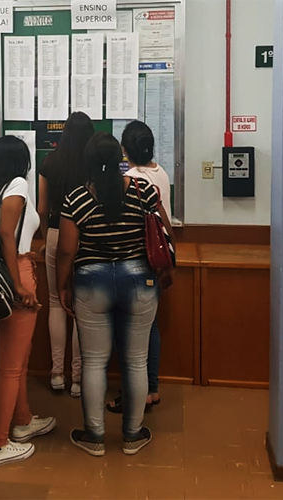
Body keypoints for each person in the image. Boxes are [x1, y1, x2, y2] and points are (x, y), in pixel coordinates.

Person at [56, 132, 174, 458]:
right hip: (139, 280)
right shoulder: (143, 190)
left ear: (89, 162)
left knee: (94, 361)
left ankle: (94, 436)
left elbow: (66, 250)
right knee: (136, 361)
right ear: (120, 159)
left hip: (91, 282)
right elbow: (166, 231)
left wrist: (62, 286)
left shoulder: (76, 198)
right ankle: (133, 435)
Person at [0, 136, 56, 467]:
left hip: (2, 271)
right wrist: (18, 283)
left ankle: (22, 420)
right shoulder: (18, 185)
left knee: (17, 358)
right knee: (10, 366)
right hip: (13, 274)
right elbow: (6, 233)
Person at [107, 120, 172, 414]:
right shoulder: (162, 173)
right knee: (150, 326)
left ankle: (135, 393)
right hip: (157, 260)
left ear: (125, 149)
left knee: (129, 332)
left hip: (133, 260)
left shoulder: (130, 178)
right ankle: (151, 389)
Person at [37, 112, 93, 397]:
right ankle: (78, 378)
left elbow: (42, 208)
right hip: (86, 237)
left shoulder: (50, 161)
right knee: (82, 306)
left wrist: (46, 237)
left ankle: (57, 373)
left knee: (55, 303)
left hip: (56, 234)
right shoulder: (93, 164)